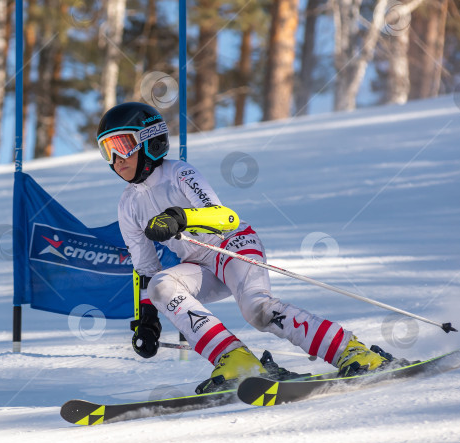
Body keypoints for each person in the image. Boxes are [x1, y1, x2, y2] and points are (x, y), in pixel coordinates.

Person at [97, 102, 395, 393]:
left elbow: (225, 217)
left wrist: (181, 217)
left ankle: (351, 351)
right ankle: (236, 359)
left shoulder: (179, 173)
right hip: (200, 266)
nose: (116, 158)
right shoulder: (128, 205)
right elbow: (146, 269)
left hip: (233, 246)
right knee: (162, 285)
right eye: (106, 150)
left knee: (258, 310)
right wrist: (147, 321)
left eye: (123, 145)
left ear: (150, 140)